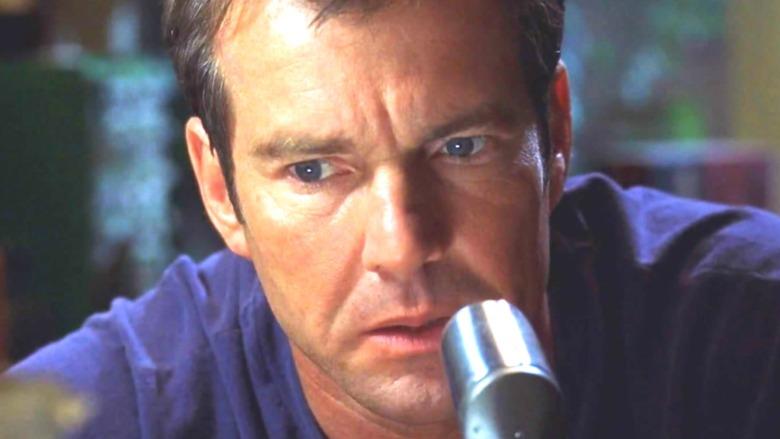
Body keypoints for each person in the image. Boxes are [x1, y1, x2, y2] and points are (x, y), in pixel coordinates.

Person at [8, 0, 780, 437]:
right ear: (218, 186)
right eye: (313, 170)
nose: (403, 246)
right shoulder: (99, 414)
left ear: (555, 136)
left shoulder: (749, 338)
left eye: (461, 148)